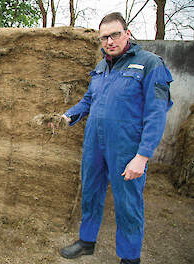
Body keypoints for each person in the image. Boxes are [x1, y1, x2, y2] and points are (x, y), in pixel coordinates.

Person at [58, 12, 173, 264]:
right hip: (94, 145)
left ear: (127, 34)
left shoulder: (150, 64)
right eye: (104, 37)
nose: (109, 41)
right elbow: (89, 100)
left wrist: (142, 157)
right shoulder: (101, 67)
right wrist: (66, 116)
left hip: (126, 149)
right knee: (90, 192)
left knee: (127, 203)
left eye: (115, 35)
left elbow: (156, 114)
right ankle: (86, 241)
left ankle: (130, 258)